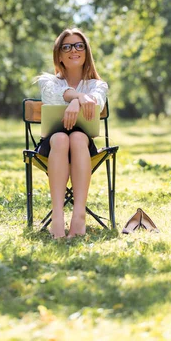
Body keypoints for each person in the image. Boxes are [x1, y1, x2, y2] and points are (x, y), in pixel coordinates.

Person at [37, 28, 108, 239]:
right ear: (59, 54)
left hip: (83, 145)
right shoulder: (47, 81)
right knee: (60, 138)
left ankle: (79, 216)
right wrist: (77, 97)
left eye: (79, 45)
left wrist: (78, 100)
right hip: (52, 144)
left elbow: (97, 102)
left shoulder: (97, 84)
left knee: (76, 137)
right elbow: (55, 95)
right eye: (66, 46)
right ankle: (57, 219)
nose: (73, 50)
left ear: (86, 52)